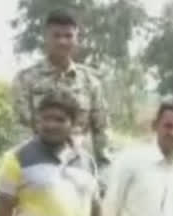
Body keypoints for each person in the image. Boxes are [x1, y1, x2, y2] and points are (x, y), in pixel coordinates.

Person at [10, 9, 113, 184]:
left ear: (77, 39)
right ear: (46, 38)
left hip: (80, 169)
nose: (63, 41)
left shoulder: (90, 81)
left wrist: (103, 174)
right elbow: (22, 128)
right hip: (39, 168)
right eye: (56, 35)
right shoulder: (26, 79)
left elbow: (101, 129)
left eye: (68, 36)